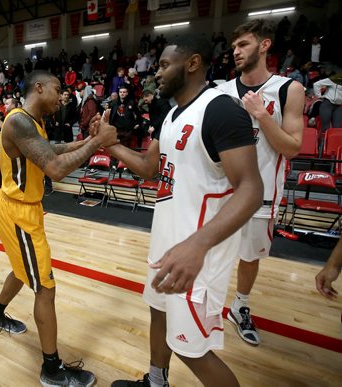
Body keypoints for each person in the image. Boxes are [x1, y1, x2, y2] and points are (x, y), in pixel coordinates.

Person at [91, 35, 263, 387]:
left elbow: (251, 189)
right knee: (159, 314)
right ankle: (156, 382)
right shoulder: (171, 116)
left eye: (164, 65)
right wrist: (111, 145)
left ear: (193, 63)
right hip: (168, 243)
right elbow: (150, 168)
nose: (157, 72)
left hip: (198, 253)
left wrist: (197, 246)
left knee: (191, 349)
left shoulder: (220, 108)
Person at [0, 70, 117, 386]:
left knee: (23, 271)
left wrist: (87, 141)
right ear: (39, 87)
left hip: (23, 210)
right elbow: (56, 169)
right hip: (17, 212)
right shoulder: (18, 121)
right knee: (45, 287)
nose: (63, 96)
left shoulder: (32, 122)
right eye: (59, 89)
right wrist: (98, 142)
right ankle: (52, 369)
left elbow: (50, 151)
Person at [217, 19, 304, 346]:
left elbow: (292, 147)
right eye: (234, 46)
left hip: (262, 192)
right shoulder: (221, 91)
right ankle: (210, 304)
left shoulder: (288, 89)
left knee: (249, 256)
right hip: (220, 192)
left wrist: (262, 115)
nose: (235, 51)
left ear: (265, 45)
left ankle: (240, 306)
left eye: (244, 45)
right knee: (212, 252)